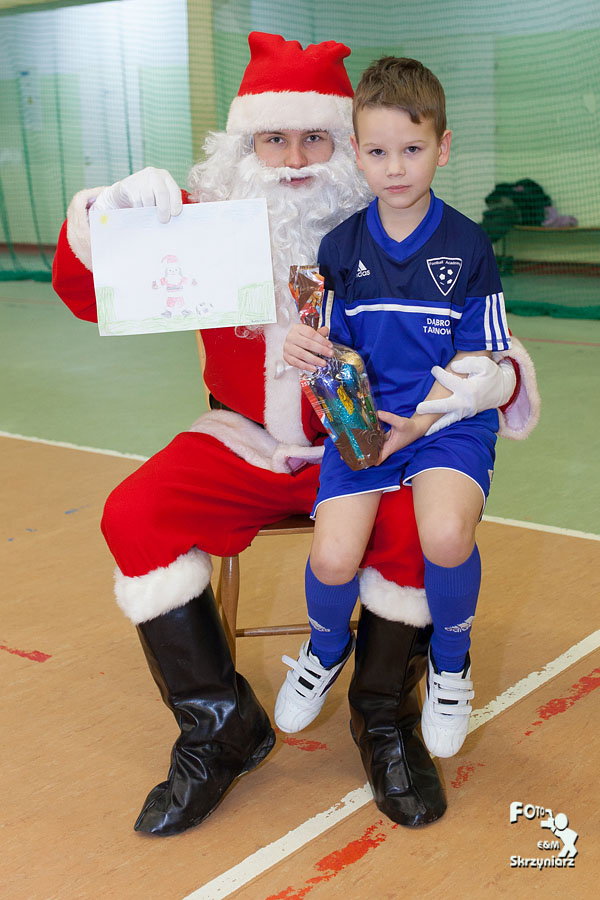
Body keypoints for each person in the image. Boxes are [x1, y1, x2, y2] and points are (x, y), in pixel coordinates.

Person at [51, 32, 539, 835]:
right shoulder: (201, 224)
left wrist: (499, 377)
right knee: (135, 515)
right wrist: (108, 220)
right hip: (243, 437)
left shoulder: (386, 213)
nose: (294, 159)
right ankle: (221, 729)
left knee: (415, 535)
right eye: (271, 139)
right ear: (242, 149)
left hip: (374, 440)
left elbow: (479, 338)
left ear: (350, 143)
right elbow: (82, 293)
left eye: (315, 135)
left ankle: (385, 720)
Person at [276, 56, 511, 760]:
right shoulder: (337, 248)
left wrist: (423, 422)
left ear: (443, 146)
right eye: (378, 152)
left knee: (445, 535)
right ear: (357, 153)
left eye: (413, 149)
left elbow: (481, 361)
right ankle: (324, 651)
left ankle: (450, 665)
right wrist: (302, 347)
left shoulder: (468, 245)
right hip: (367, 426)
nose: (396, 167)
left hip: (446, 423)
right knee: (333, 556)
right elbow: (328, 355)